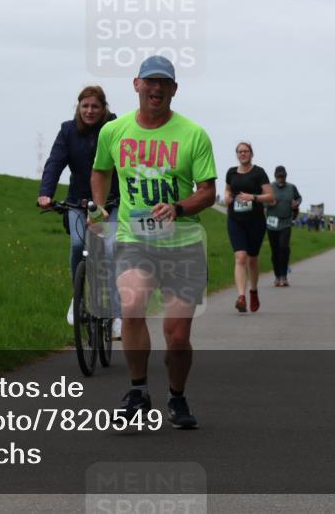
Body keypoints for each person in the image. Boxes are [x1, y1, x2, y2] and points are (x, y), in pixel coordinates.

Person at [90, 55, 216, 430]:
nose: (156, 89)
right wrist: (100, 207)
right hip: (135, 237)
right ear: (136, 85)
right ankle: (138, 390)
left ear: (174, 89)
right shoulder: (114, 131)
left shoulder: (193, 135)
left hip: (183, 241)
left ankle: (176, 396)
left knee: (177, 337)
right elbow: (100, 170)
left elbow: (207, 192)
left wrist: (178, 206)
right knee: (131, 303)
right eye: (150, 82)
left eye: (164, 83)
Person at [37, 87, 121, 336]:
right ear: (78, 107)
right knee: (77, 245)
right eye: (85, 106)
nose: (90, 111)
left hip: (112, 203)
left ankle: (116, 313)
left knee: (109, 249)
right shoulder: (68, 130)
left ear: (104, 107)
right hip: (78, 201)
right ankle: (78, 296)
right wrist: (46, 193)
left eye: (95, 106)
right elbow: (55, 162)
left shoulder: (115, 129)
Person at [224, 143, 272, 312]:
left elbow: (270, 196)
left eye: (246, 151)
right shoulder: (231, 172)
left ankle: (253, 291)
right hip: (235, 220)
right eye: (240, 151)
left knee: (252, 260)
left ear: (252, 154)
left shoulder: (259, 173)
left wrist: (253, 197)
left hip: (255, 221)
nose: (243, 154)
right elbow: (228, 190)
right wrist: (227, 197)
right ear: (236, 154)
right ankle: (241, 297)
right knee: (241, 258)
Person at [264, 166, 301, 287]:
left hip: (286, 222)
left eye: (283, 176)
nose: (281, 179)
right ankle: (277, 276)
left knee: (284, 248)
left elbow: (299, 197)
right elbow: (262, 202)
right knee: (275, 251)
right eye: (279, 176)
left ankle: (284, 277)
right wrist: (269, 203)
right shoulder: (269, 187)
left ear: (286, 176)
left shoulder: (291, 187)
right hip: (272, 223)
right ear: (275, 176)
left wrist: (296, 203)